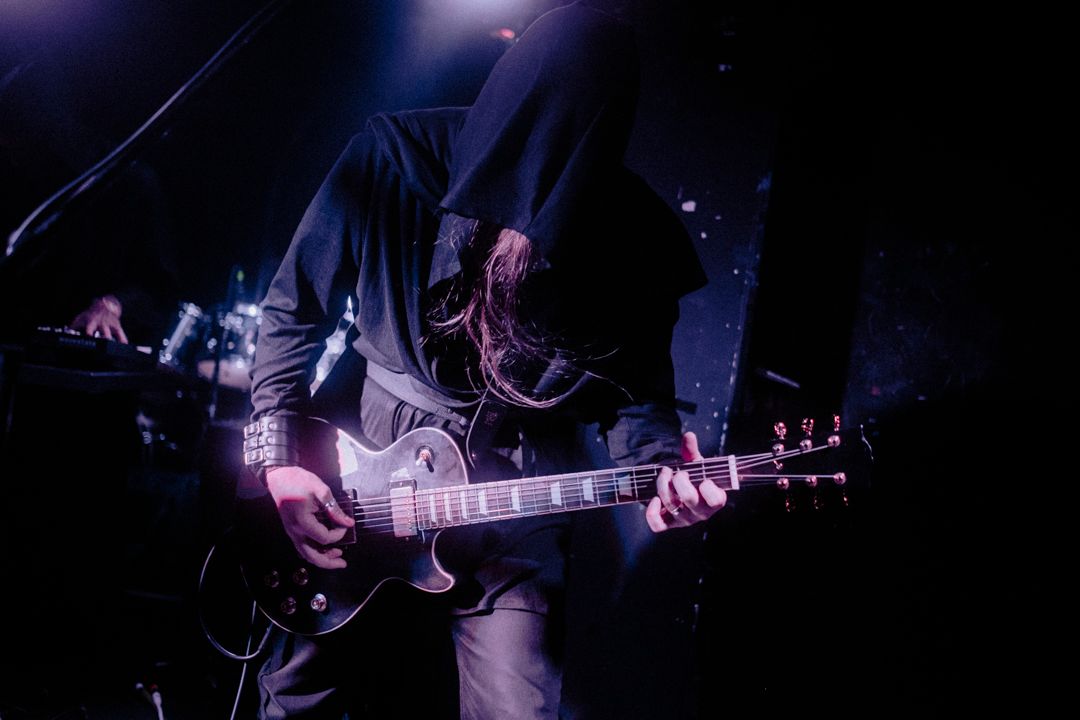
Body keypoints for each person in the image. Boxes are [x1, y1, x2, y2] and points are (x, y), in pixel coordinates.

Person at [244, 4, 726, 718]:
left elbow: (638, 396)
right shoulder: (393, 159)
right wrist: (280, 463)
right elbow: (294, 309)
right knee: (296, 697)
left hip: (518, 494)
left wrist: (664, 474)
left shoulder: (636, 239)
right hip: (362, 463)